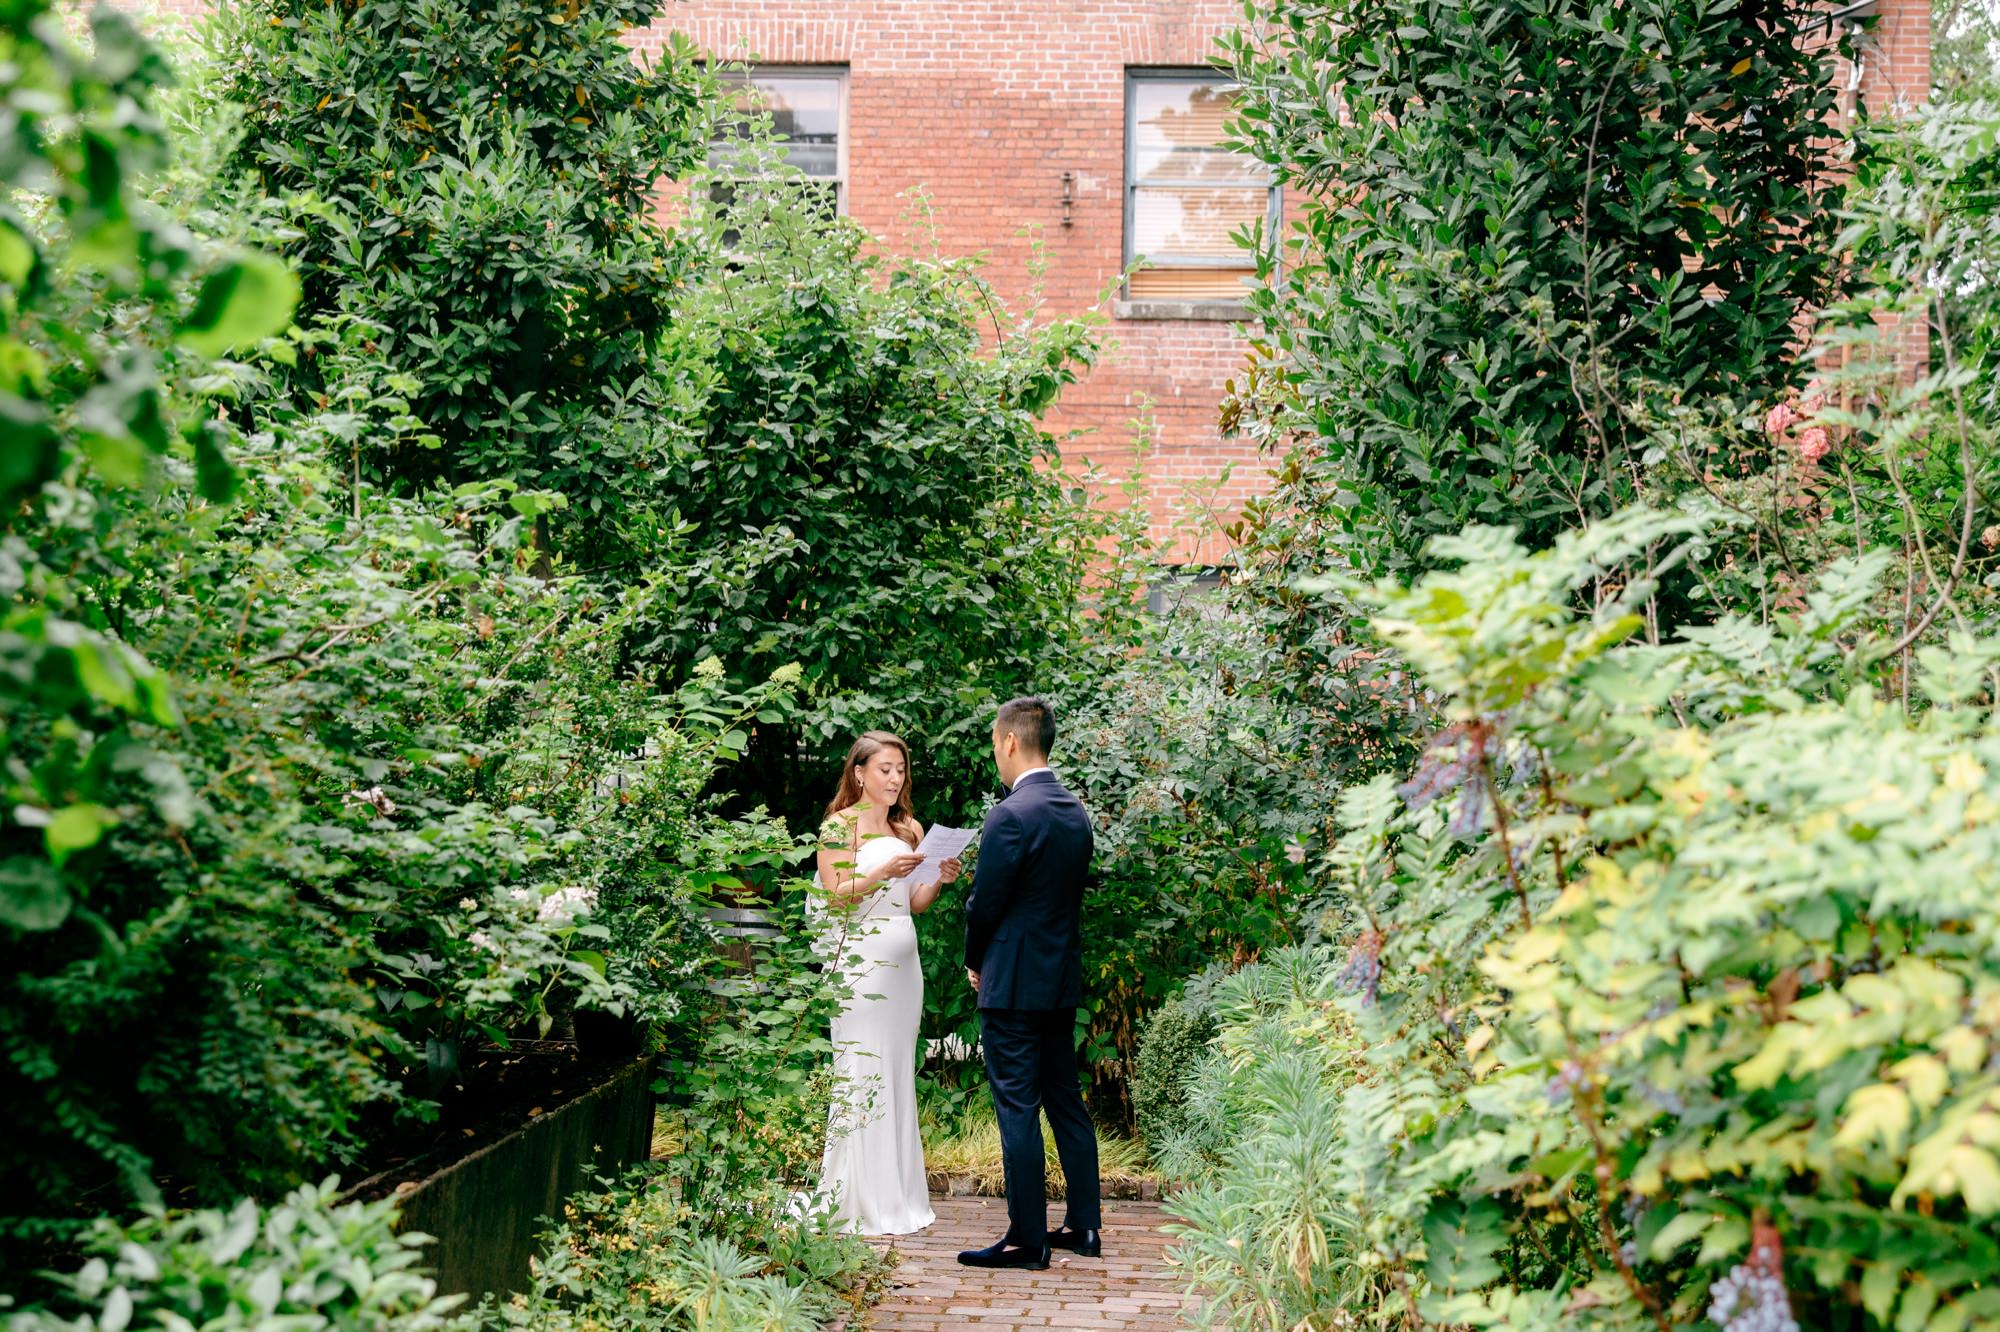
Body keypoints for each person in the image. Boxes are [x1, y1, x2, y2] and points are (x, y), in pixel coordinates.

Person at [958, 697, 1101, 1270]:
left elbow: (984, 904)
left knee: (1017, 1105)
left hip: (1013, 984)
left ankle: (1026, 1238)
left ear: (1011, 742)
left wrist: (976, 961)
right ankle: (1084, 1227)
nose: (995, 753)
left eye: (996, 743)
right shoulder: (1074, 811)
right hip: (1058, 981)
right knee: (1065, 1100)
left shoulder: (1009, 815)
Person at [813, 730, 962, 1236]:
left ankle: (897, 1195)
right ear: (859, 774)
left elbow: (915, 902)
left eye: (900, 769)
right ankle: (855, 1198)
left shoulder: (910, 827)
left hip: (903, 967)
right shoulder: (838, 828)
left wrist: (939, 876)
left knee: (896, 1070)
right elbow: (835, 894)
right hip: (858, 965)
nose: (895, 778)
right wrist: (882, 874)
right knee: (861, 1067)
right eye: (885, 769)